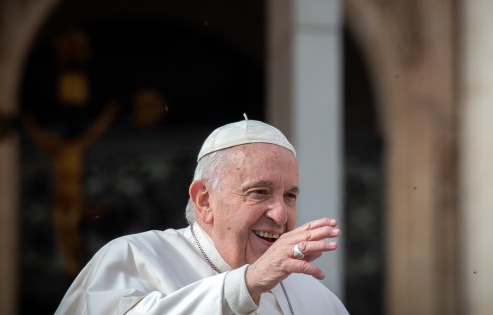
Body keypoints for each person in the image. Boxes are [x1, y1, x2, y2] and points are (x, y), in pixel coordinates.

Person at [55, 118, 349, 314]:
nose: (280, 213)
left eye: (290, 196)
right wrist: (245, 284)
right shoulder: (132, 258)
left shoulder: (315, 298)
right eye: (260, 192)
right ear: (204, 200)